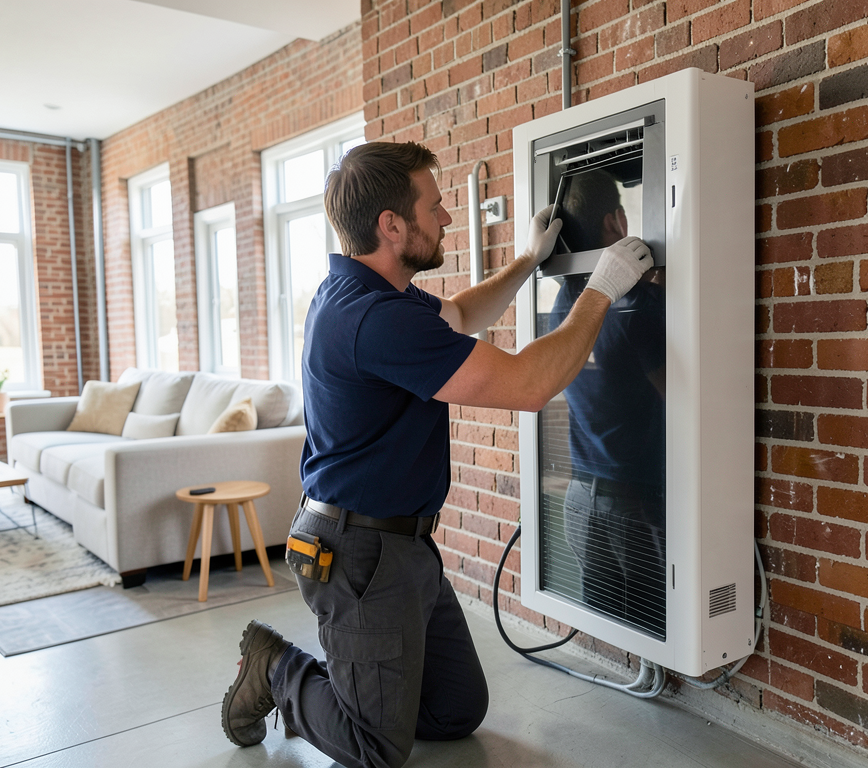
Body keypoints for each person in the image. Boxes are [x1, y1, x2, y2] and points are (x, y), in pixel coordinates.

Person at [220, 141, 652, 768]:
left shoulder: (367, 295)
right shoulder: (375, 319)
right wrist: (604, 288)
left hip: (400, 547)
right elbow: (531, 385)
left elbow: (457, 313)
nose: (447, 217)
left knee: (455, 711)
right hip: (357, 556)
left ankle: (364, 681)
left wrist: (529, 259)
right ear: (391, 226)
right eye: (435, 205)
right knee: (375, 749)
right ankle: (275, 667)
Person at [544, 169, 667, 638]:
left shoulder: (564, 306)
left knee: (613, 628)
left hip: (580, 502)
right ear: (616, 221)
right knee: (656, 624)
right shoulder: (639, 305)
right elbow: (679, 396)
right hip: (631, 505)